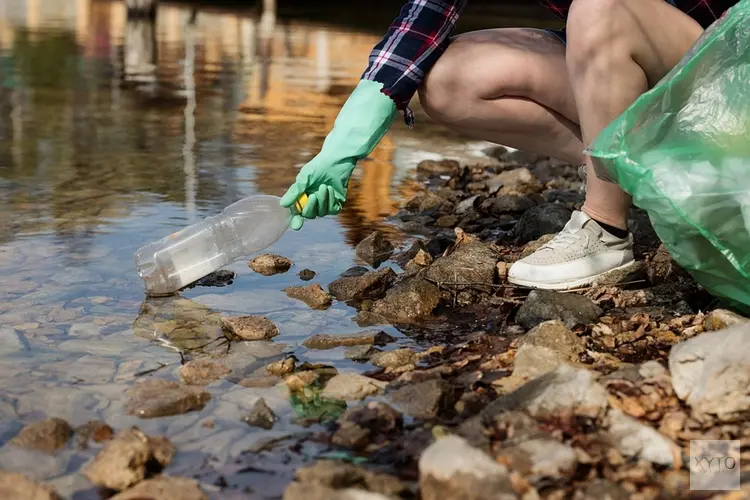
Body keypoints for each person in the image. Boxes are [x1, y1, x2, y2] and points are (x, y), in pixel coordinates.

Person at [280, 0, 737, 290]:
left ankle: (606, 230)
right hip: (645, 70)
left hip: (730, 80)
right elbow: (427, 13)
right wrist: (349, 135)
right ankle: (635, 170)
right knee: (449, 78)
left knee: (600, 7)